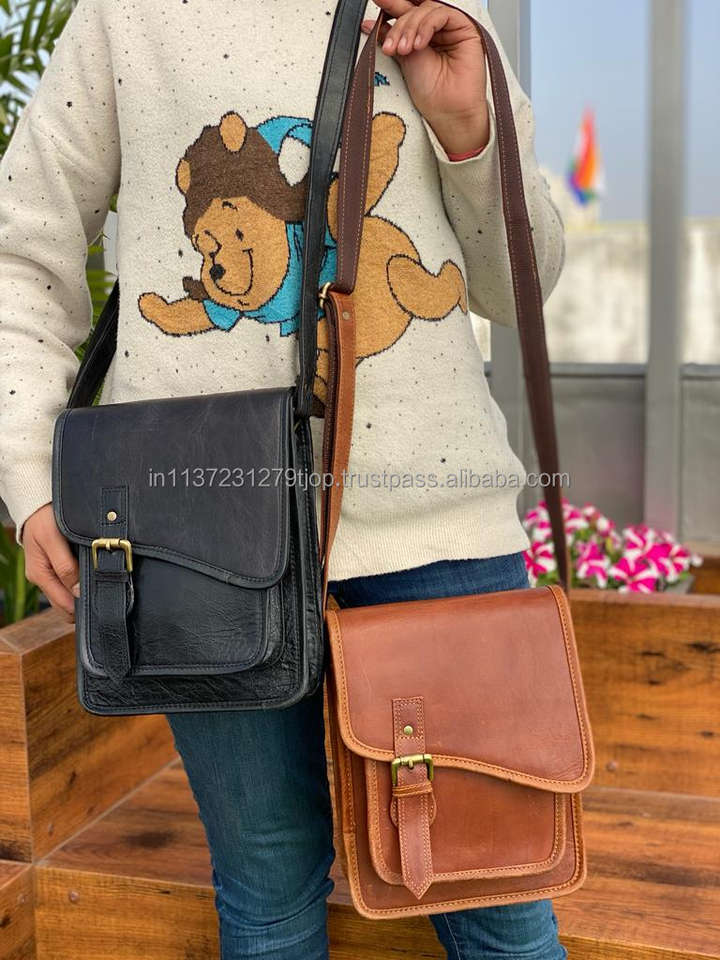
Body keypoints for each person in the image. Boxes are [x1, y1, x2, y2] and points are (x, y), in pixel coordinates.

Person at [0, 0, 566, 957]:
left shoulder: (435, 15)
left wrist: (468, 127)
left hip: (440, 532)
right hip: (198, 539)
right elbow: (23, 246)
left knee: (505, 908)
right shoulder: (124, 16)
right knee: (266, 895)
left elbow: (521, 289)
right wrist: (29, 476)